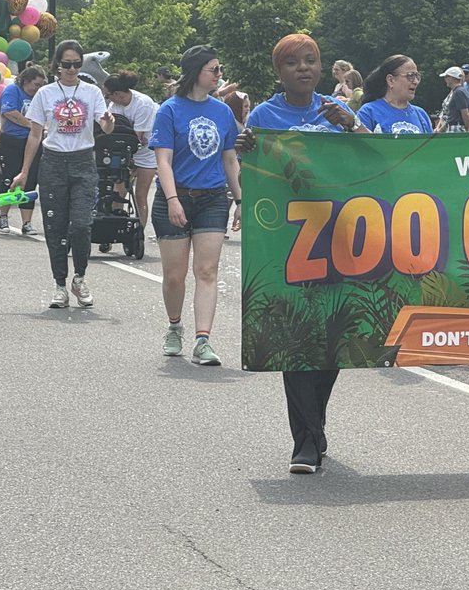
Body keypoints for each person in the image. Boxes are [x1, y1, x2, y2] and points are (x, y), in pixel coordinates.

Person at [243, 33, 366, 474]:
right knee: (292, 338)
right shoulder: (264, 114)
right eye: (294, 63)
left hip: (337, 238)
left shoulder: (338, 112)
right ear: (280, 72)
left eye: (311, 61)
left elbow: (380, 159)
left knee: (331, 337)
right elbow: (253, 166)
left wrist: (351, 125)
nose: (304, 69)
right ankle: (306, 443)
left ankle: (315, 425)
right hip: (284, 243)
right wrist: (244, 151)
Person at [149, 46, 242, 367]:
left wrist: (240, 199)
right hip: (174, 198)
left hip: (213, 198)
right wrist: (173, 199)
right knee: (174, 276)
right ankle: (175, 326)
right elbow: (163, 159)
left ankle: (203, 340)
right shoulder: (169, 110)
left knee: (207, 271)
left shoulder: (222, 111)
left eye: (219, 69)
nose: (219, 75)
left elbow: (230, 159)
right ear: (195, 72)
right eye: (213, 70)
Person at [11, 40, 116, 309]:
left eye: (76, 64)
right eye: (66, 64)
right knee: (55, 228)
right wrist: (24, 172)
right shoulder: (45, 93)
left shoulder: (91, 92)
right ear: (57, 64)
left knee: (81, 225)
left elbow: (104, 127)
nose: (71, 69)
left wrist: (108, 123)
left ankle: (79, 278)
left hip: (83, 161)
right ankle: (60, 284)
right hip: (54, 163)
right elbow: (35, 135)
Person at [104, 72, 160, 234]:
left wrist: (132, 162)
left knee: (140, 194)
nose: (108, 99)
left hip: (145, 151)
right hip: (122, 151)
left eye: (108, 96)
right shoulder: (114, 106)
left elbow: (138, 137)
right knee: (117, 191)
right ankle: (115, 227)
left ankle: (139, 232)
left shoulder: (143, 104)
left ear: (118, 94)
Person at [0, 65, 46, 235]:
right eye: (35, 84)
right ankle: (3, 216)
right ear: (26, 81)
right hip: (12, 140)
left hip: (32, 142)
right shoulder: (12, 91)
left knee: (30, 179)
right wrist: (32, 126)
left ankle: (27, 222)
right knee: (10, 178)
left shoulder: (40, 96)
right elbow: (9, 112)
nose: (37, 89)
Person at [357, 55, 433, 133]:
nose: (416, 81)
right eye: (410, 76)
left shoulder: (421, 115)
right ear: (391, 80)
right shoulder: (369, 112)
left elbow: (431, 145)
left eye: (417, 76)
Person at [435, 66, 469, 134]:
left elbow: (465, 113)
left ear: (451, 78)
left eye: (446, 77)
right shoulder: (456, 91)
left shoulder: (459, 92)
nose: (445, 79)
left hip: (457, 127)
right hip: (452, 126)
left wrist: (468, 131)